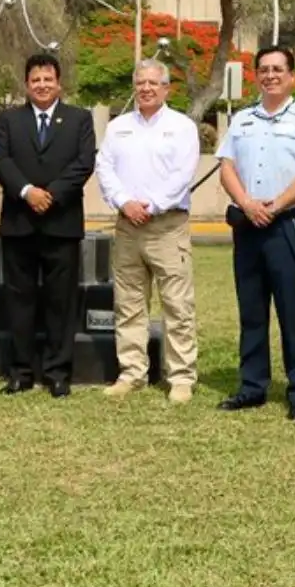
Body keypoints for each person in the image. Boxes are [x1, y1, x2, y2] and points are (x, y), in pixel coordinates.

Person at [215, 45, 295, 419]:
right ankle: (252, 386)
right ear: (256, 75)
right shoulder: (242, 119)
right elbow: (226, 166)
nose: (270, 75)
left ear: (292, 76)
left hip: (287, 223)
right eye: (264, 69)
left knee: (293, 311)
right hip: (248, 222)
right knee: (251, 310)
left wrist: (274, 206)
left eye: (278, 69)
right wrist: (247, 203)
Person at [94, 58, 202, 403]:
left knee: (177, 304)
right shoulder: (118, 127)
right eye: (140, 83)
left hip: (167, 226)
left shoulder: (182, 126)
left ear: (167, 88)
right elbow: (105, 167)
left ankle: (181, 377)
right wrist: (125, 202)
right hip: (127, 226)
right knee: (128, 303)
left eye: (153, 83)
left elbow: (182, 174)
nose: (146, 89)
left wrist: (150, 205)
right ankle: (131, 372)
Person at [0, 52, 97, 398]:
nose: (42, 85)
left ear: (59, 83)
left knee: (60, 302)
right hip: (19, 223)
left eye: (48, 79)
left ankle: (57, 373)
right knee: (19, 302)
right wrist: (26, 192)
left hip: (61, 224)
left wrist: (49, 195)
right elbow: (0, 160)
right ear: (26, 84)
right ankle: (20, 373)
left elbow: (84, 163)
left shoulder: (79, 119)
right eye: (35, 79)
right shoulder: (8, 120)